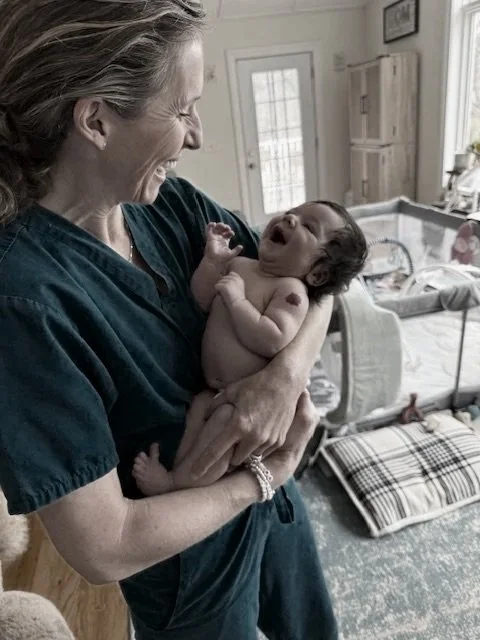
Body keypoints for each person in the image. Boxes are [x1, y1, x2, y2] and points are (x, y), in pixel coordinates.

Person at [0, 2, 338, 639]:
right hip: (191, 572)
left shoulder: (169, 206)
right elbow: (104, 546)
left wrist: (282, 380)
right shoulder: (24, 302)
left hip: (269, 513)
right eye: (182, 109)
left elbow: (318, 284)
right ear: (96, 120)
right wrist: (264, 478)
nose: (198, 135)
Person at [132, 202, 367, 496]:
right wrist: (212, 263)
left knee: (222, 434)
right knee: (196, 417)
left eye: (309, 227)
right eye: (293, 212)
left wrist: (237, 301)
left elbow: (272, 337)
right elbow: (201, 301)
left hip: (243, 397)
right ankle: (179, 471)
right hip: (211, 388)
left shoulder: (290, 292)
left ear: (318, 275)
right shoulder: (241, 265)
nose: (291, 218)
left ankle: (177, 483)